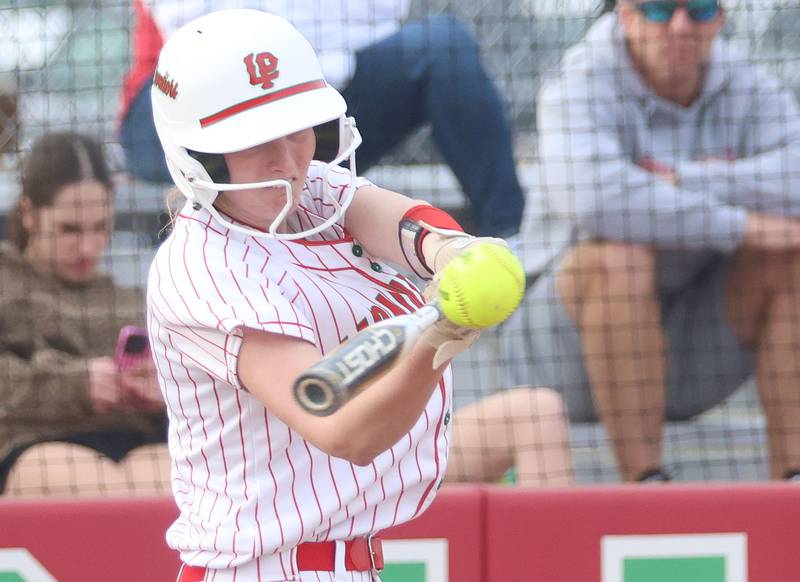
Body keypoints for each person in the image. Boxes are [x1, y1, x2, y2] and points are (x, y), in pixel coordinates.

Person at [146, 9, 527, 580]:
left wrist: (454, 254)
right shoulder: (202, 268)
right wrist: (440, 336)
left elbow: (400, 221)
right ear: (198, 154)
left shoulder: (307, 193)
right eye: (255, 142)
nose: (286, 162)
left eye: (296, 131)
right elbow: (344, 430)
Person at [503, 0, 800, 482]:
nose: (680, 26)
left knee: (790, 256)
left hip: (697, 351)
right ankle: (647, 487)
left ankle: (793, 484)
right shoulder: (579, 81)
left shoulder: (745, 79)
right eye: (659, 10)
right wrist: (741, 227)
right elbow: (597, 200)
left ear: (720, 18)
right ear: (626, 15)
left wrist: (687, 178)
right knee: (620, 258)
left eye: (699, 9)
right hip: (563, 361)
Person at [119, 0, 525, 237]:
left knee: (444, 45)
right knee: (225, 115)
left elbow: (382, 14)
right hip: (176, 105)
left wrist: (306, 76)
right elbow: (206, 36)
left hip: (311, 92)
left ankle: (509, 239)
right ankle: (206, 261)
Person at [0, 131, 167, 495]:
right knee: (101, 487)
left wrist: (164, 391)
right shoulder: (6, 281)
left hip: (137, 445)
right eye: (69, 230)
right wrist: (77, 386)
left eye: (100, 228)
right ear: (28, 214)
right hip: (34, 446)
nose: (88, 247)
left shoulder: (132, 299)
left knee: (182, 482)